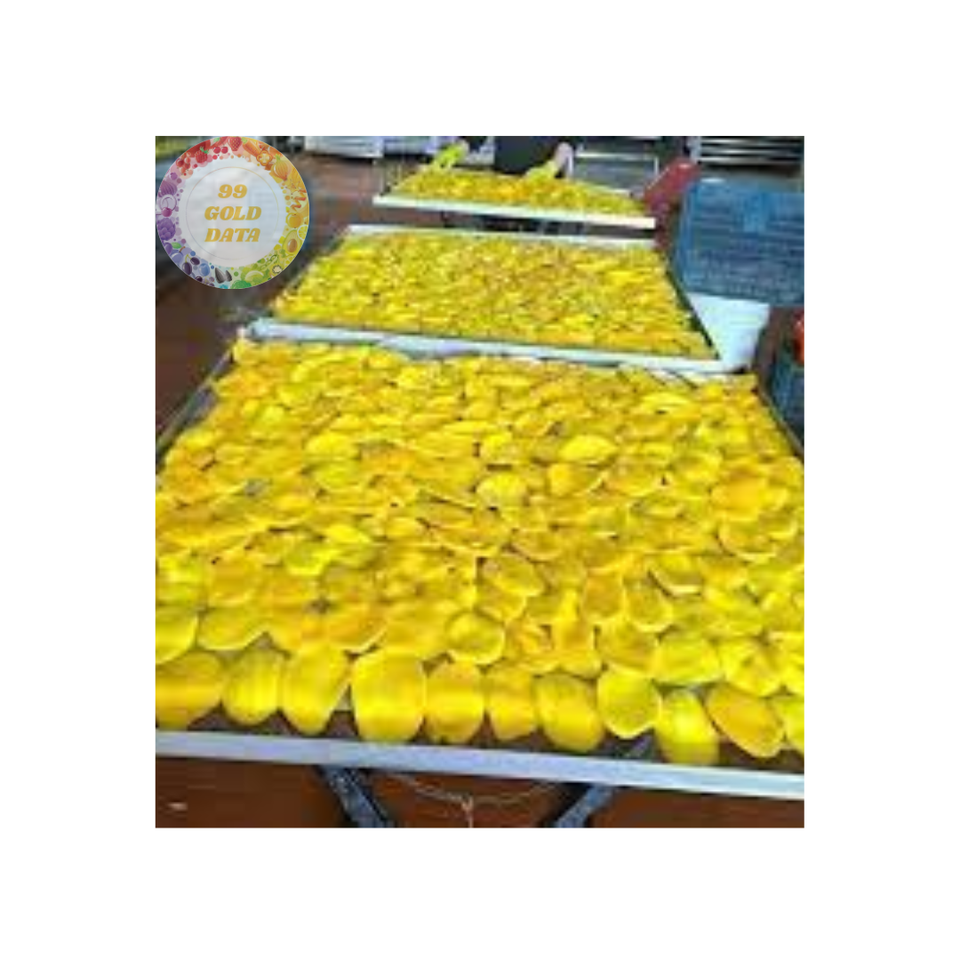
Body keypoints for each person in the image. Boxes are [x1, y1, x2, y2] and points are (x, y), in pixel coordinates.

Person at [434, 137, 579, 179]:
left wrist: (552, 166)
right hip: (504, 177)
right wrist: (455, 151)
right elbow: (475, 137)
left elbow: (568, 141)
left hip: (545, 182)